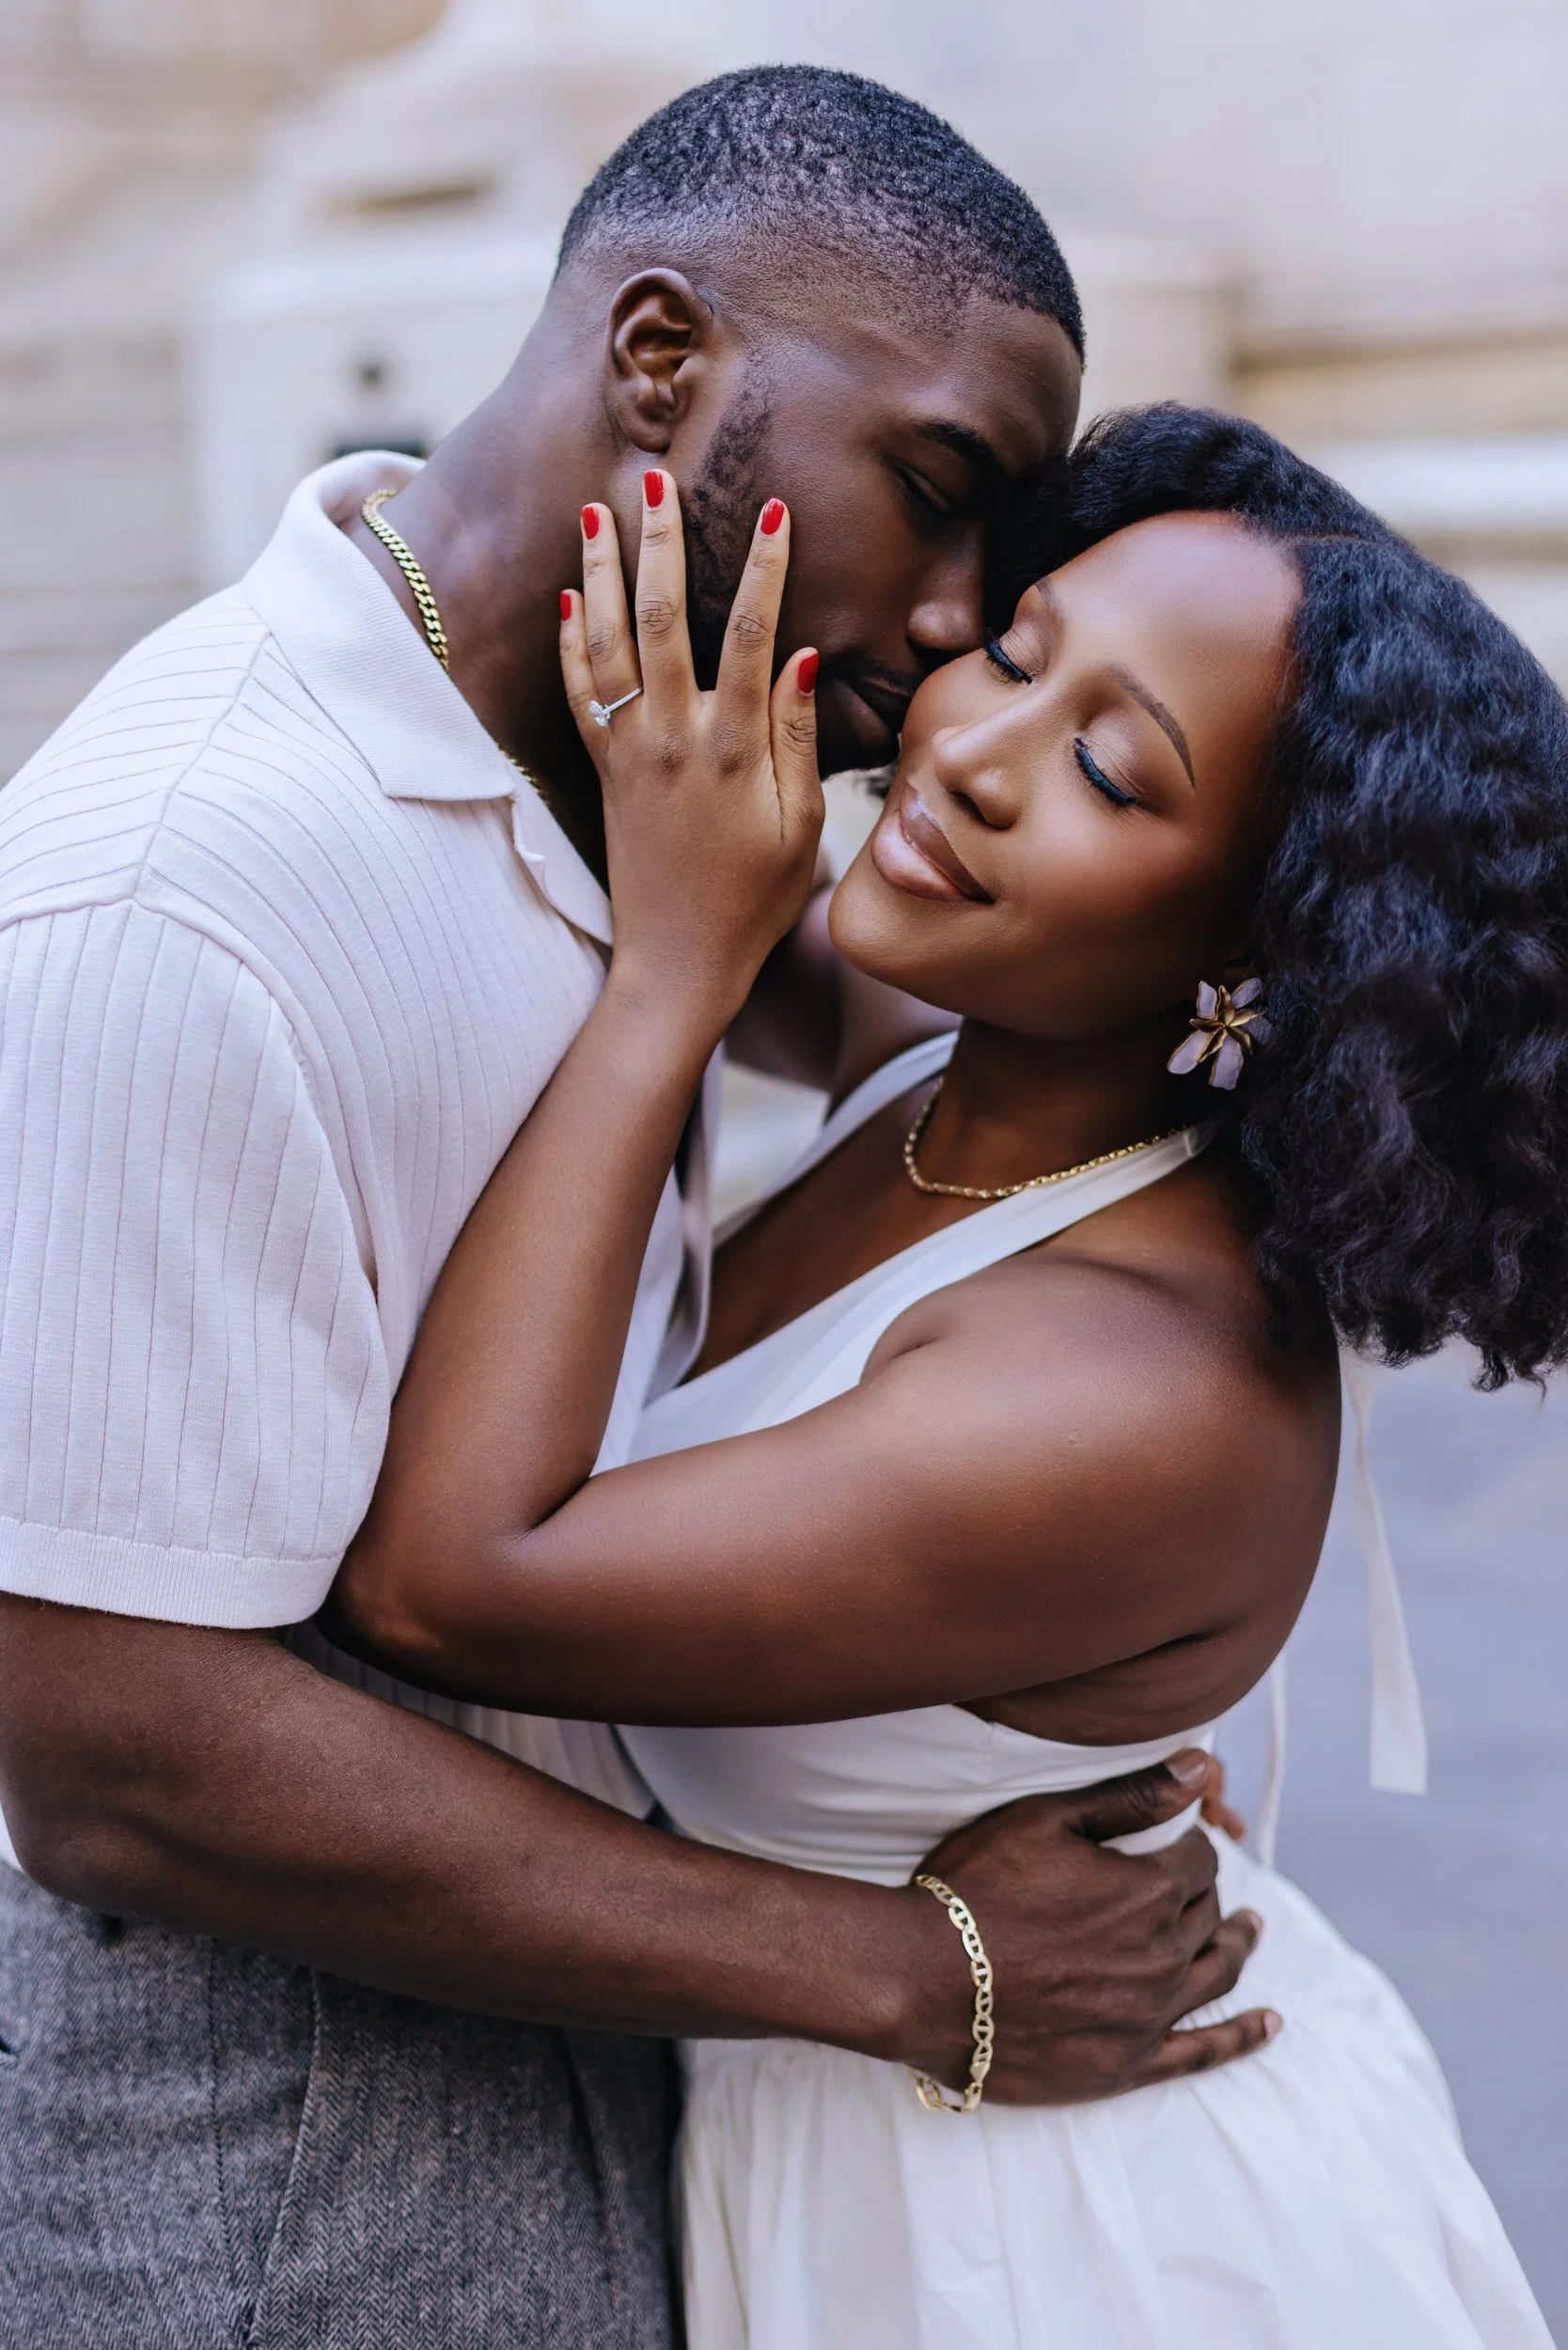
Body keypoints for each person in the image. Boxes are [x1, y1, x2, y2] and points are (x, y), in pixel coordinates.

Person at [0, 73, 1273, 2350]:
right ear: (662, 362)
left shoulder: (639, 753)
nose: (970, 608)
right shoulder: (179, 895)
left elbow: (972, 1046)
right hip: (289, 2184)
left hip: (611, 2043)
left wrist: (1033, 1682)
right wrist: (914, 1964)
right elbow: (112, 1752)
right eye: (942, 488)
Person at [330, 403, 1567, 2348]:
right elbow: (728, 816)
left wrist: (667, 974)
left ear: (1256, 950)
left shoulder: (1125, 1385)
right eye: (1014, 643)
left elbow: (445, 1579)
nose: (970, 749)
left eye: (1104, 763)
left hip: (1051, 2234)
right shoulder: (968, 1057)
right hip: (863, 2127)